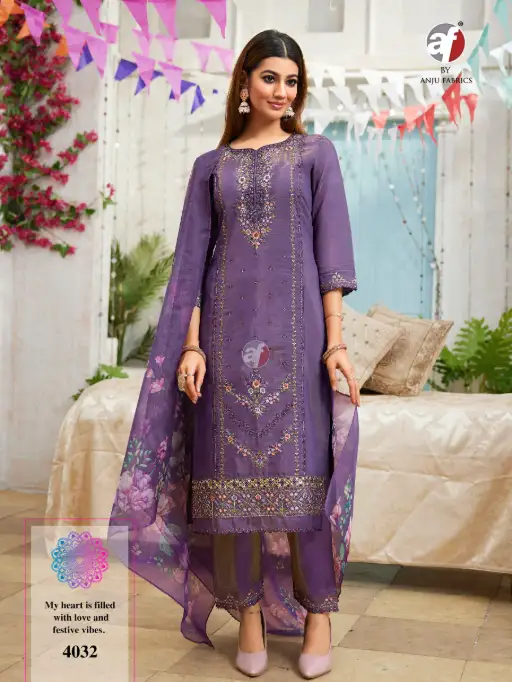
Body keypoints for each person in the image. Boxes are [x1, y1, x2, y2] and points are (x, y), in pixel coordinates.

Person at [108, 29, 360, 681]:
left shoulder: (315, 154)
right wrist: (191, 346)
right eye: (270, 77)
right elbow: (191, 266)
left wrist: (336, 342)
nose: (282, 91)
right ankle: (247, 616)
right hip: (222, 342)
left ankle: (318, 616)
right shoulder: (210, 168)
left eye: (292, 81)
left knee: (306, 478)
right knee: (229, 482)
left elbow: (332, 254)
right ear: (244, 81)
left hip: (298, 342)